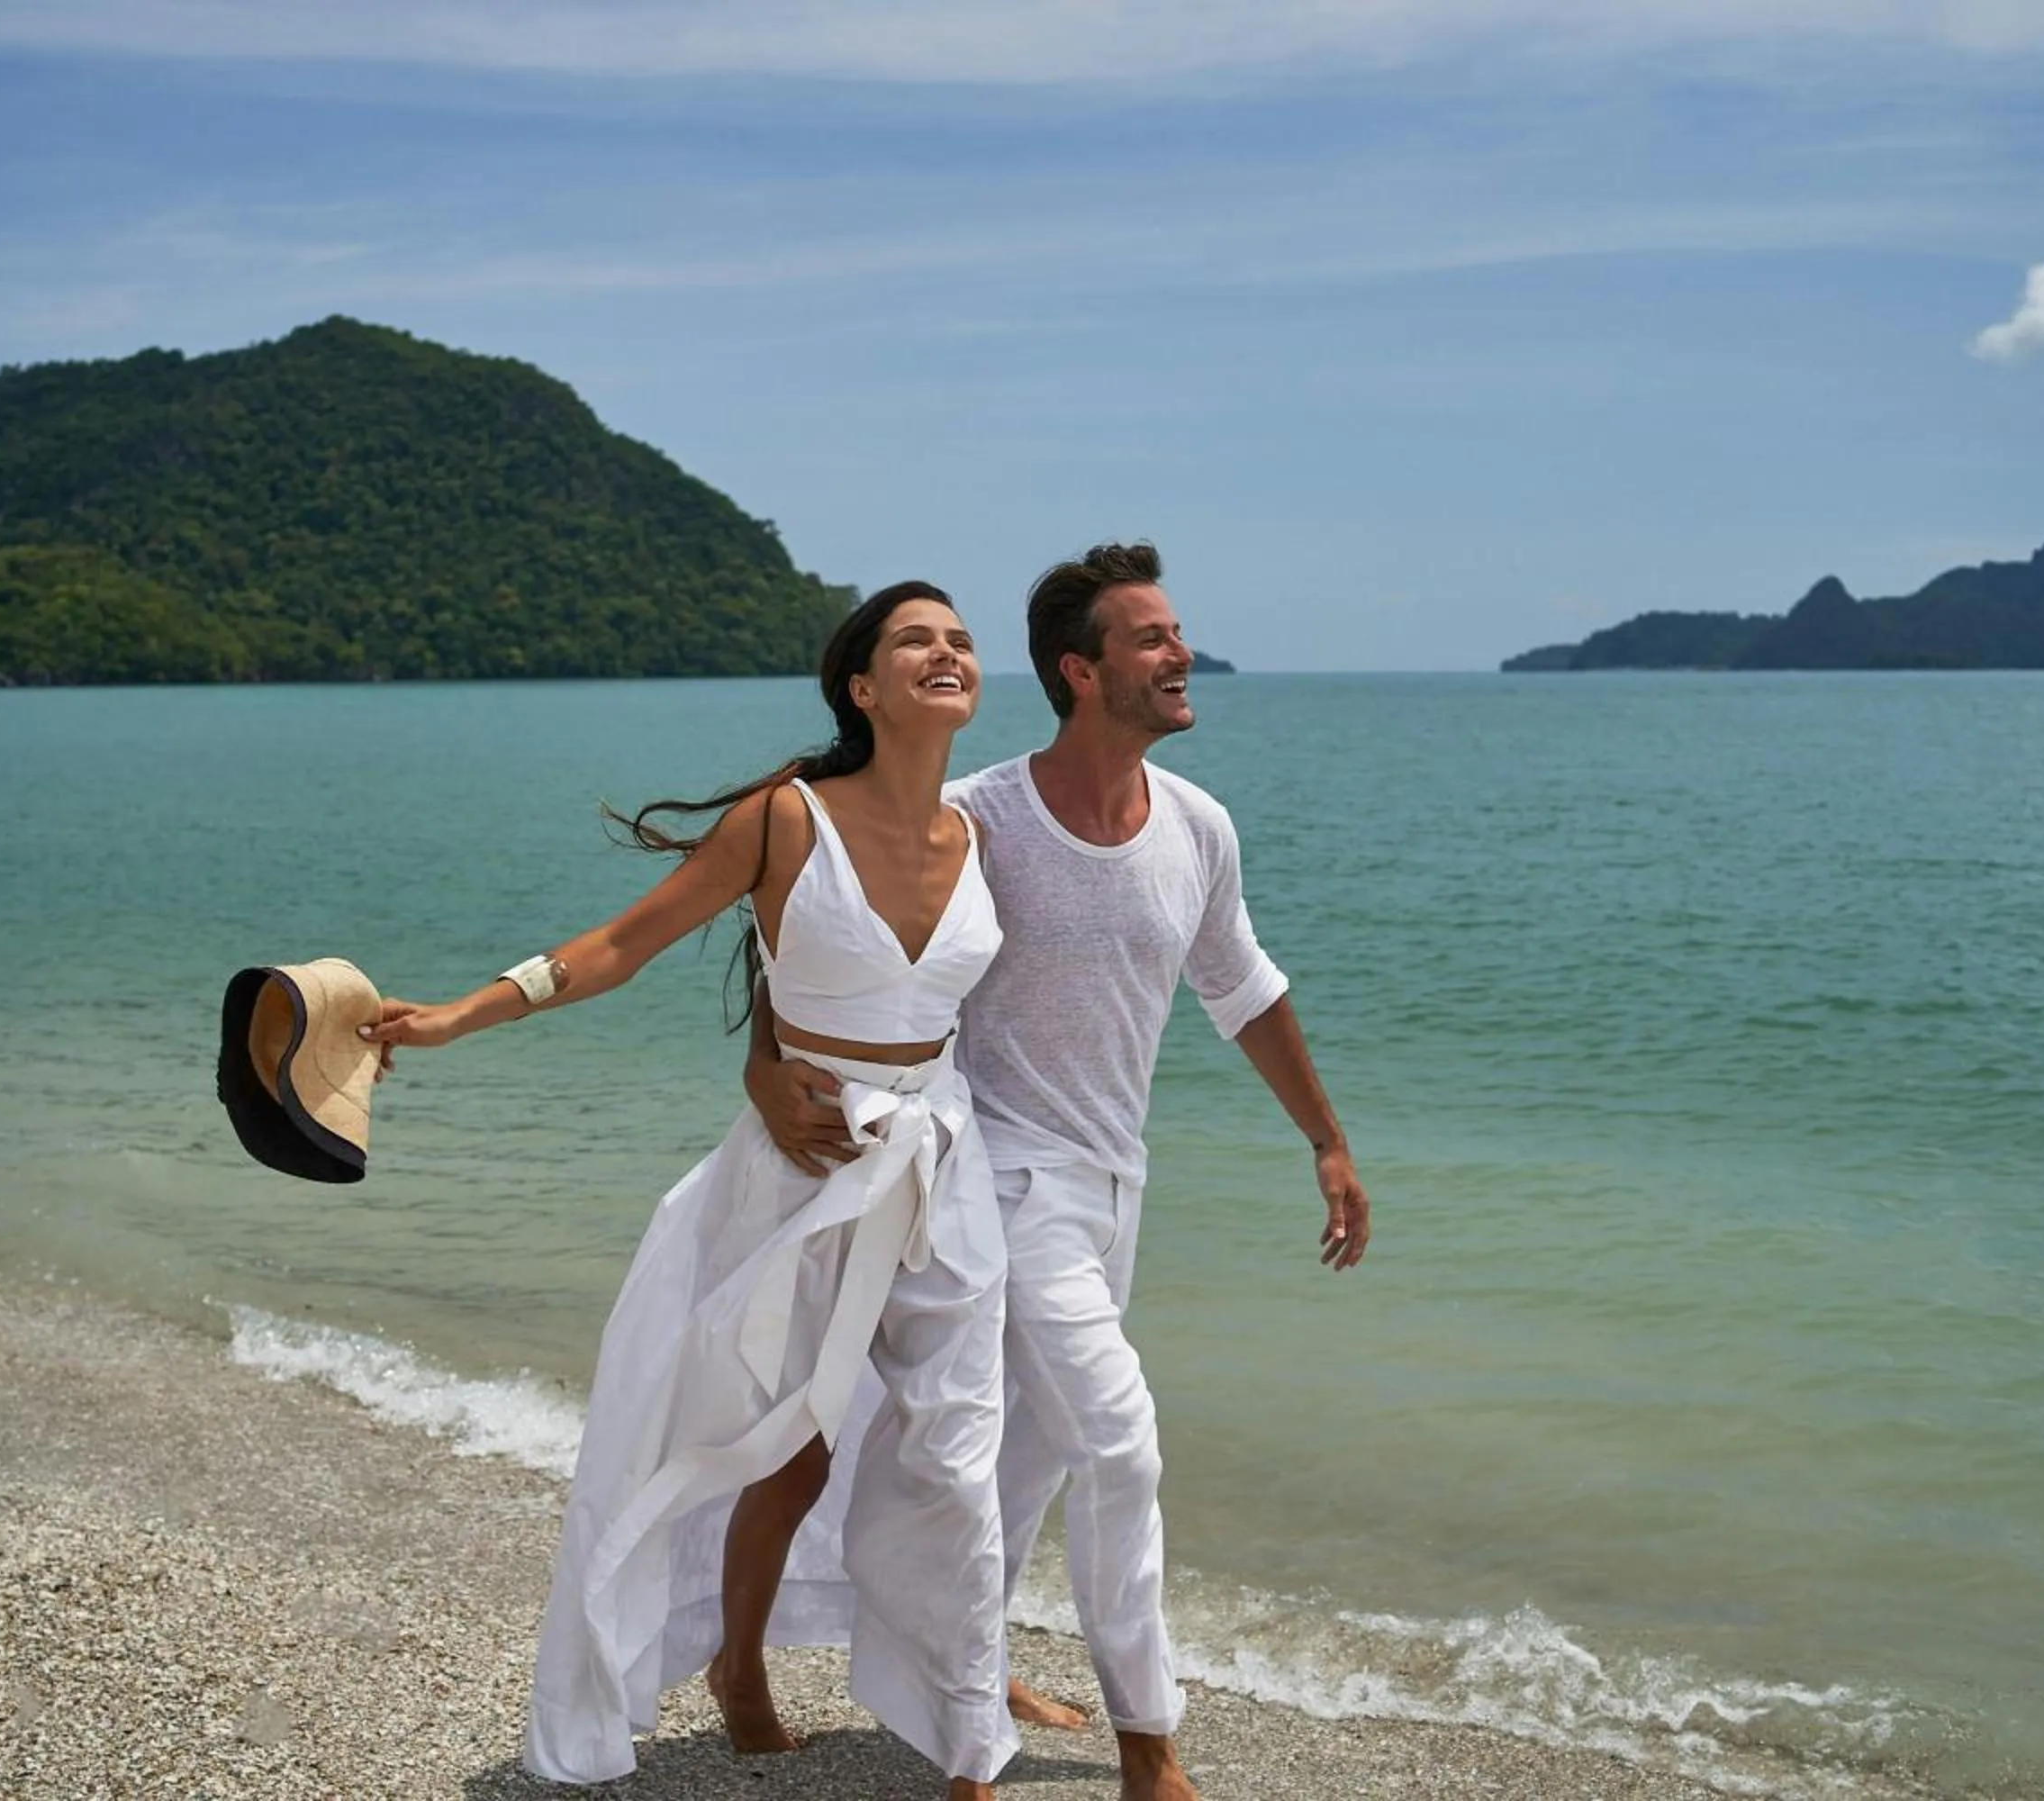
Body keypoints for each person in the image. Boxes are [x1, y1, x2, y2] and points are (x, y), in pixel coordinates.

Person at [361, 582, 1020, 1797]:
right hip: (801, 1172)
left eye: (963, 640)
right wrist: (461, 1015)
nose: (949, 652)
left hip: (942, 1165)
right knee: (781, 1449)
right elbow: (624, 943)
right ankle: (737, 1669)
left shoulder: (986, 832)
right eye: (915, 638)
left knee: (961, 1446)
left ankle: (970, 1738)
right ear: (862, 688)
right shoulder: (785, 820)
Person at [746, 543, 1370, 1801]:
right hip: (997, 1173)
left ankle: (964, 1674)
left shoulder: (1197, 826)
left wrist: (1328, 1140)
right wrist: (769, 1060)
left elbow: (1241, 987)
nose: (1180, 653)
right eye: (1152, 639)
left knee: (1027, 1460)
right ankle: (1150, 1738)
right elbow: (825, 928)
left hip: (1111, 1185)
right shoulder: (979, 817)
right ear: (1082, 673)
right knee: (1119, 1440)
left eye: (1176, 631)